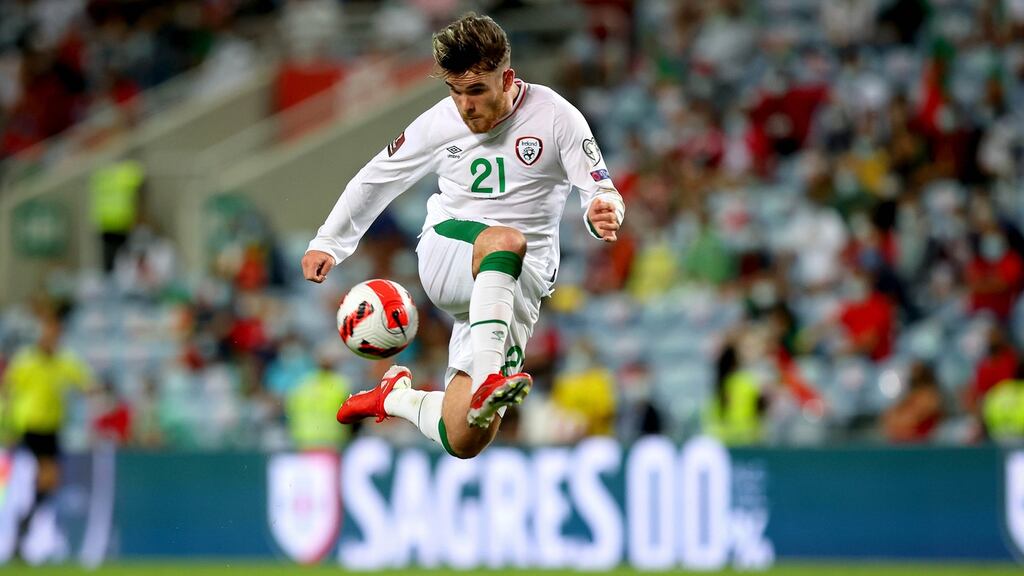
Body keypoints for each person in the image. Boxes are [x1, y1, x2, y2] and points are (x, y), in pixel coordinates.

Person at [301, 13, 624, 459]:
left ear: (507, 79)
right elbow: (377, 178)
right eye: (455, 92)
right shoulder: (438, 124)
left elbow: (600, 189)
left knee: (466, 436)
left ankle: (395, 398)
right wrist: (329, 242)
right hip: (449, 251)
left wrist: (602, 210)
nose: (465, 105)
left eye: (476, 91)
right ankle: (489, 376)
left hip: (519, 284)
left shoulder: (556, 117)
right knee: (504, 240)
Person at [1, 310, 92, 555]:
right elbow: (8, 390)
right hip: (31, 425)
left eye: (56, 333)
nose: (53, 338)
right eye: (49, 333)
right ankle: (25, 520)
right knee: (45, 475)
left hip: (52, 427)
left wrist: (93, 391)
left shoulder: (64, 361)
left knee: (49, 480)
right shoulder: (26, 360)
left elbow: (85, 383)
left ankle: (26, 520)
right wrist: (8, 424)